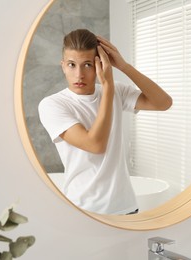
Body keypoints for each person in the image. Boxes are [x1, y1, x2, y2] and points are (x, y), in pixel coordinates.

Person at [38, 29, 172, 215]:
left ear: (101, 64)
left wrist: (124, 67)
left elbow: (163, 103)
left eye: (87, 64)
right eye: (71, 65)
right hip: (84, 209)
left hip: (126, 207)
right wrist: (108, 87)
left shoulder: (117, 91)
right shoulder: (53, 105)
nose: (79, 75)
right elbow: (96, 144)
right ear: (62, 66)